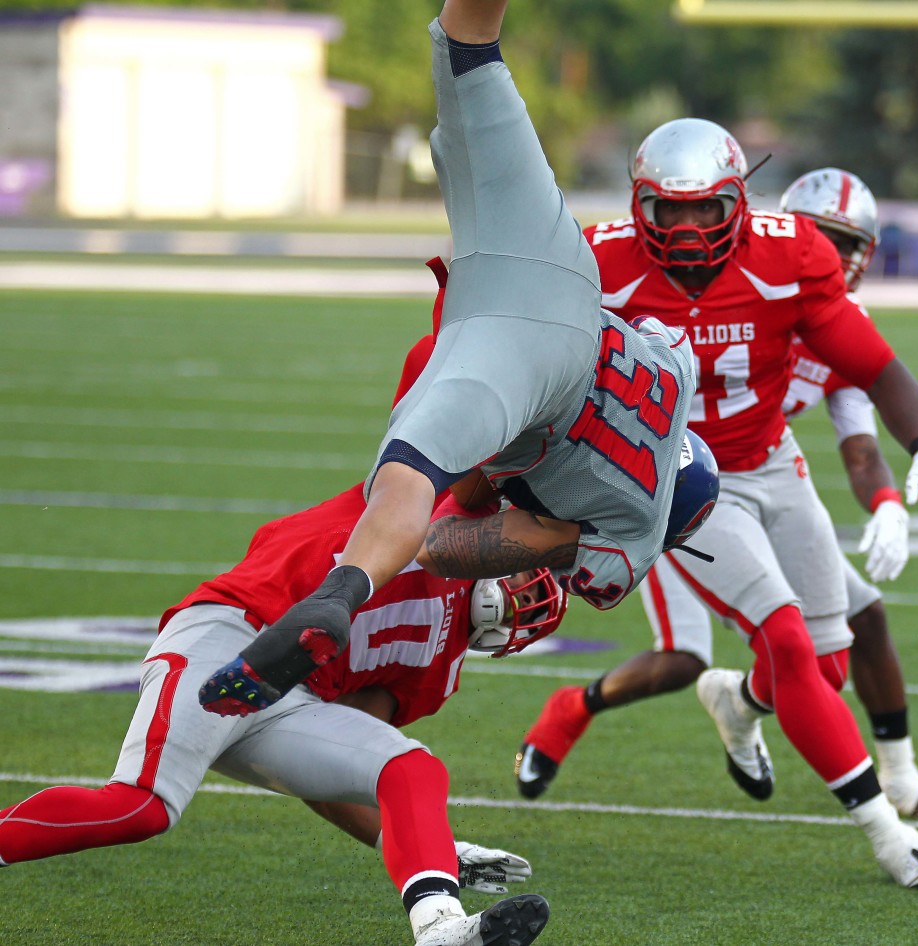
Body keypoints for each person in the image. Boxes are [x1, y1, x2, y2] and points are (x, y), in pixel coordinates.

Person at [199, 0, 703, 724]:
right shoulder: (626, 540)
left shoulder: (676, 374)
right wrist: (541, 536)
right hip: (528, 368)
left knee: (469, 44)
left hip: (563, 276)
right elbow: (445, 542)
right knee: (409, 474)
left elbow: (659, 333)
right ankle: (342, 592)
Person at [515, 120, 918, 890]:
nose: (687, 230)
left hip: (773, 465)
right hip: (680, 481)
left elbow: (875, 366)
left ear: (739, 202)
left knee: (824, 666)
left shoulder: (792, 254)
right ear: (639, 205)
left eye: (705, 210)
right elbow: (535, 377)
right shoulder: (598, 263)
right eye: (669, 211)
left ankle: (735, 700)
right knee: (787, 642)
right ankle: (890, 839)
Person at [0, 478, 565, 946]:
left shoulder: (437, 673)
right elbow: (462, 417)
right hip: (234, 637)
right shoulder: (441, 510)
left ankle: (439, 924)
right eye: (528, 565)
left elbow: (331, 777)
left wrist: (432, 850)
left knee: (413, 771)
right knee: (140, 810)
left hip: (287, 704)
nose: (521, 575)